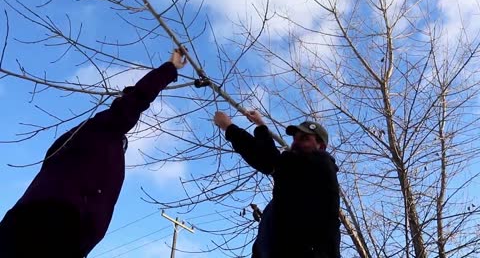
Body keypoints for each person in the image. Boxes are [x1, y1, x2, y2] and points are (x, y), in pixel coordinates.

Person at [0, 49, 188, 258]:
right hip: (56, 224)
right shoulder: (104, 129)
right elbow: (136, 99)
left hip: (30, 224)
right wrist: (170, 69)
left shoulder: (78, 140)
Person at [214, 110, 341, 258]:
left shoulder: (321, 165)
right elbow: (270, 159)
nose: (296, 143)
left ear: (322, 147)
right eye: (295, 138)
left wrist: (228, 127)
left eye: (304, 138)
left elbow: (268, 159)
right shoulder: (295, 178)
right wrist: (260, 126)